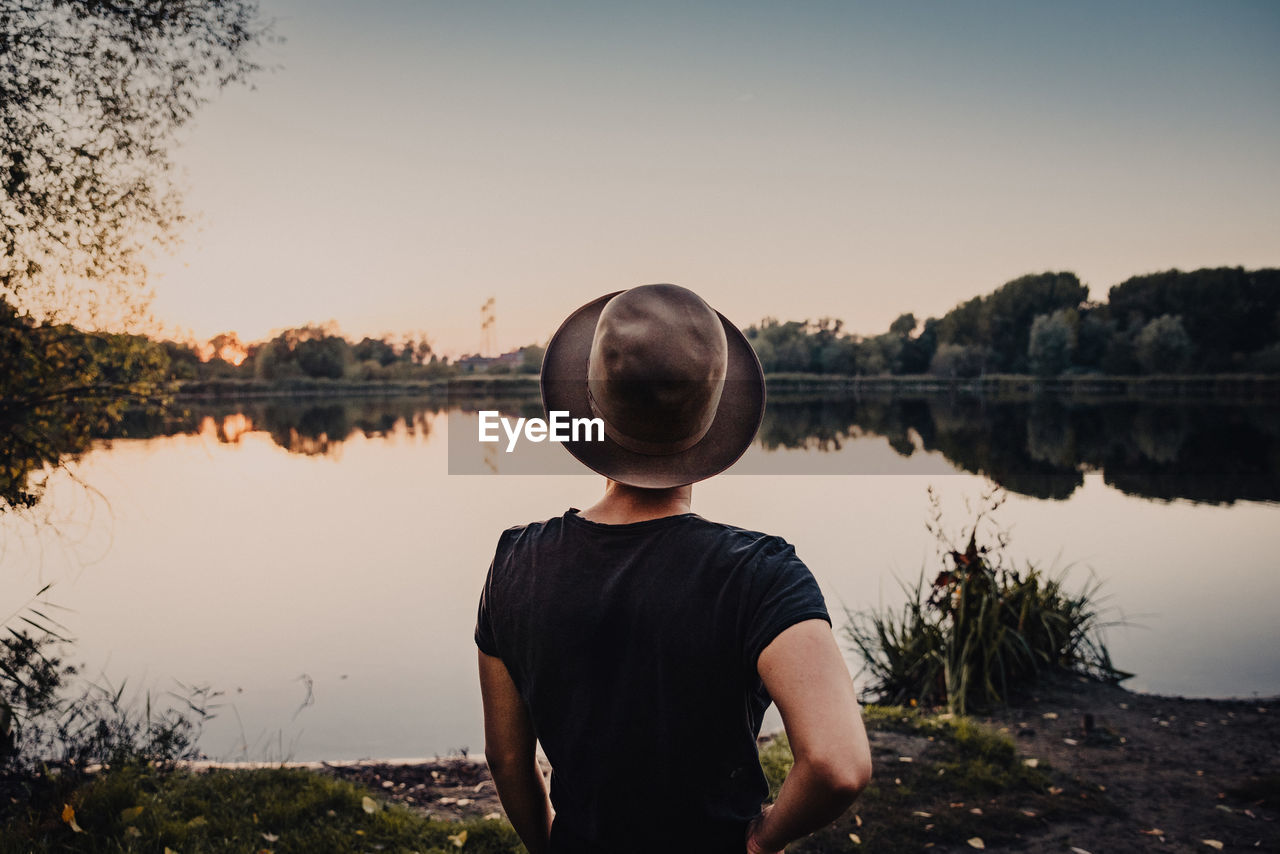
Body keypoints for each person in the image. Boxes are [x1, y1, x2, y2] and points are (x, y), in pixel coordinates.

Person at [475, 284, 872, 854]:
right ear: (713, 417)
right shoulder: (760, 575)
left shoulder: (515, 562)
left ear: (590, 407)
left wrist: (547, 846)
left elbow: (507, 758)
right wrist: (762, 842)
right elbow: (838, 766)